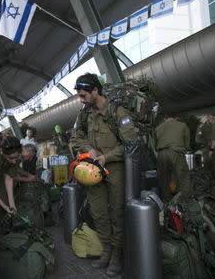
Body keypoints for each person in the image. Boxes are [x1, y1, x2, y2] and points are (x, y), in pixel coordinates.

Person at [69, 73, 138, 277]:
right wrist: (89, 149)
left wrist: (105, 158)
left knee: (117, 212)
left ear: (95, 91)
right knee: (98, 212)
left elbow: (131, 145)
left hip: (114, 169)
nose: (81, 100)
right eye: (80, 96)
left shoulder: (118, 112)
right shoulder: (85, 114)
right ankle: (106, 250)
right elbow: (75, 136)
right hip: (92, 170)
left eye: (83, 95)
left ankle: (117, 254)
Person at [155, 114, 191, 202]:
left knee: (164, 180)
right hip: (176, 152)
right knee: (183, 178)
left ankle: (167, 203)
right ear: (176, 117)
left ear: (164, 118)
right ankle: (182, 203)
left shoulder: (158, 128)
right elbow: (187, 142)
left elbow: (155, 144)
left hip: (161, 154)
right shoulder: (182, 125)